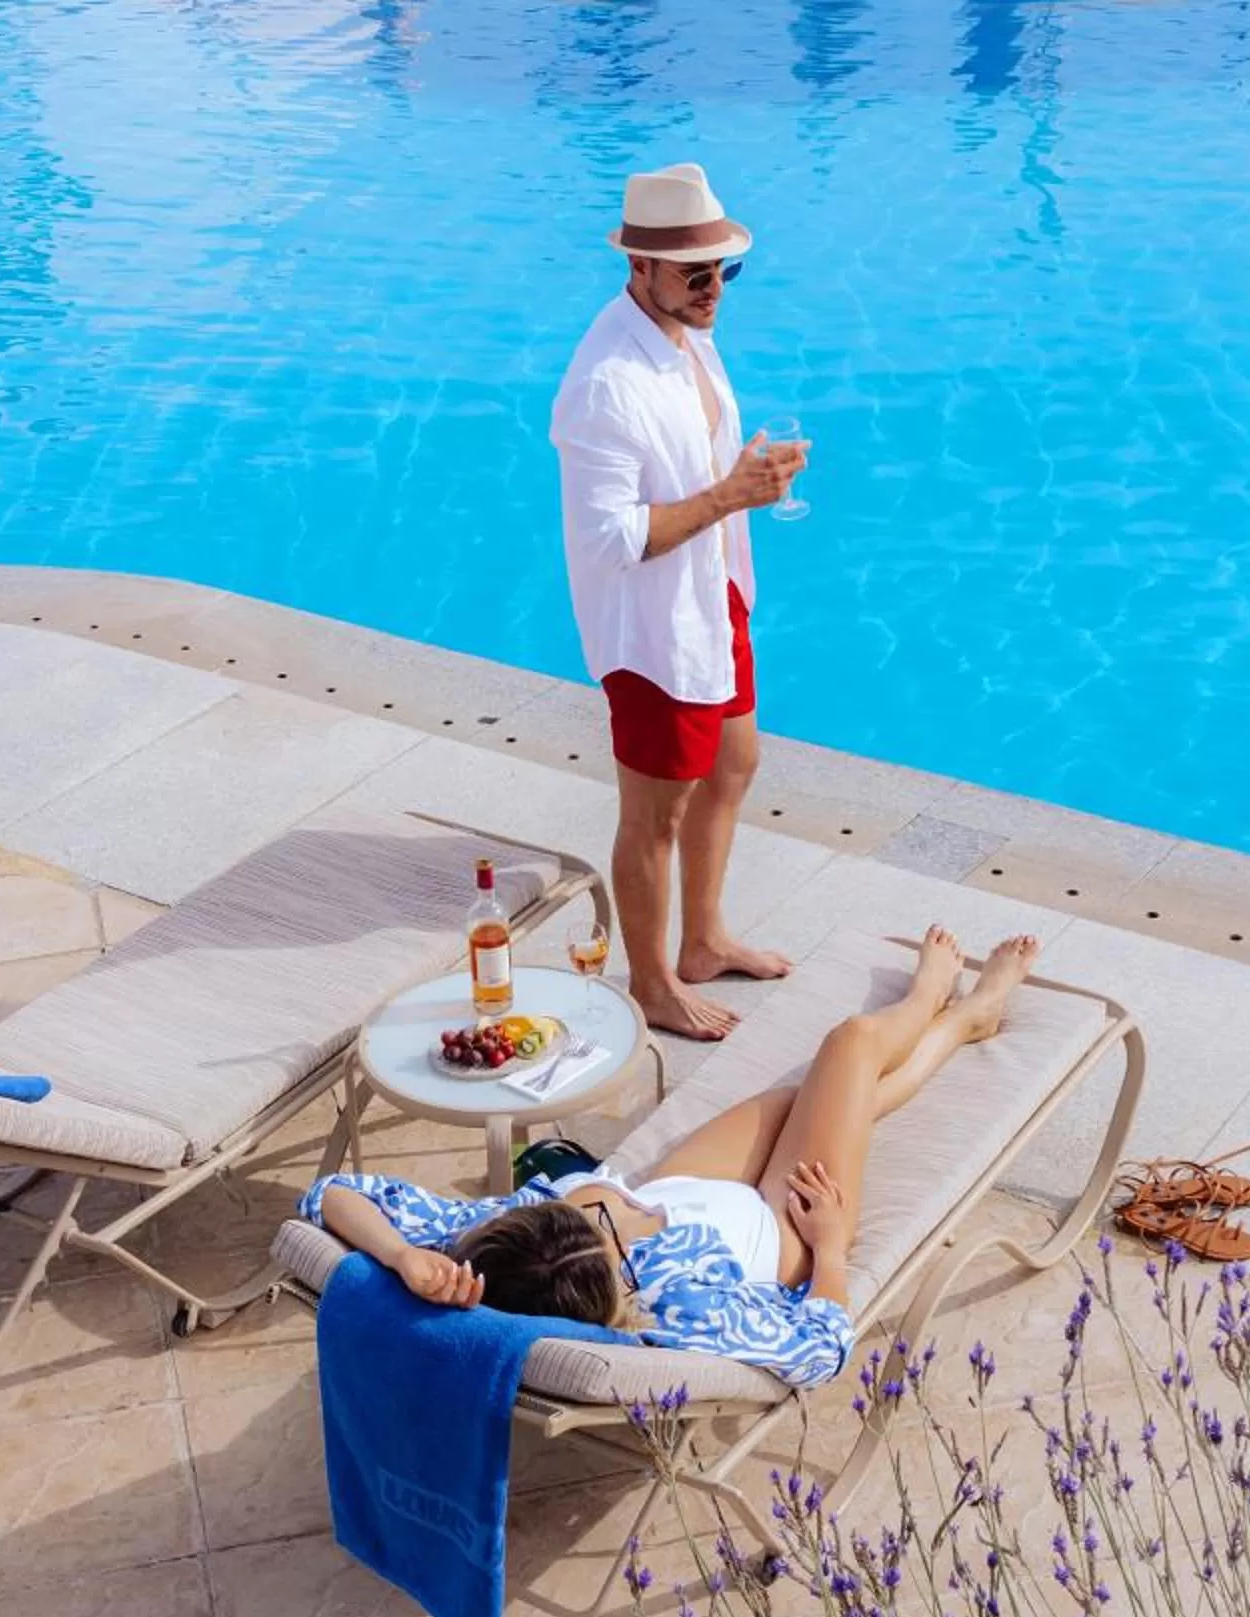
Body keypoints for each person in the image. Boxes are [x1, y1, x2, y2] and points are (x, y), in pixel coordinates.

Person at [301, 928, 1038, 1387]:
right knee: (848, 1046)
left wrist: (401, 1256)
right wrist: (833, 1250)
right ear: (616, 1273)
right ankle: (950, 1008)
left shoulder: (493, 1256)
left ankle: (954, 1025)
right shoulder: (684, 1313)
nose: (608, 1196)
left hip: (690, 1187)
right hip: (779, 1224)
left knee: (833, 1089)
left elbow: (332, 1195)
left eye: (580, 1200)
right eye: (608, 1216)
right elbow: (818, 1350)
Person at [550, 162, 812, 1041]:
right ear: (639, 268)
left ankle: (703, 940)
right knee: (653, 815)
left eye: (723, 271)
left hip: (714, 590)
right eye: (694, 273)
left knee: (735, 765)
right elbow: (609, 539)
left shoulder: (687, 335)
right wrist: (730, 497)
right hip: (654, 633)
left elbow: (702, 466)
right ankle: (653, 984)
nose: (713, 289)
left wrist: (751, 479)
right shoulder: (603, 387)